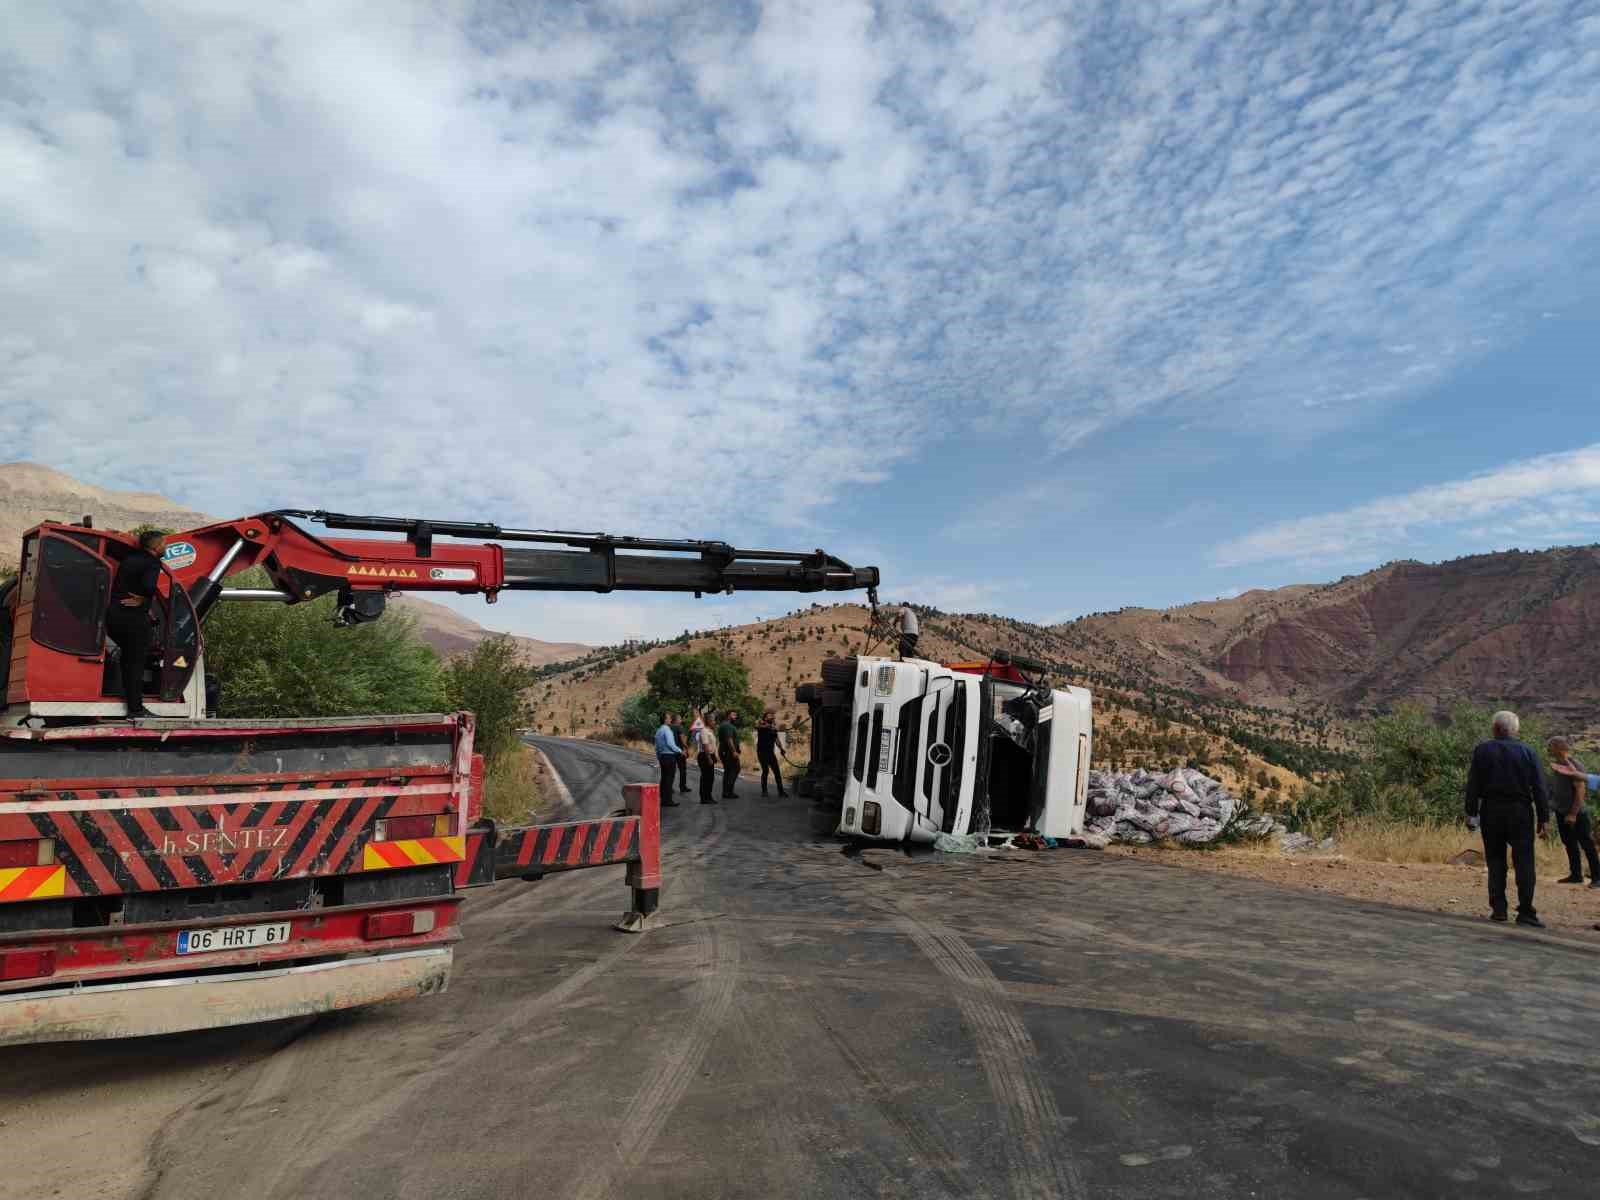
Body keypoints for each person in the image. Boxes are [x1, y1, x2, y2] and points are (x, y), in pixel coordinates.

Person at [1464, 710, 1549, 926]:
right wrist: (1543, 818)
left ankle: (1499, 909)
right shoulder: (1528, 751)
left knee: (1495, 860)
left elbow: (1473, 784)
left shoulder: (1482, 750)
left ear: (1495, 728)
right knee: (1524, 862)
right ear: (1515, 730)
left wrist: (1471, 813)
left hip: (1491, 810)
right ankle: (1526, 912)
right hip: (1520, 811)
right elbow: (1539, 787)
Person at [105, 530, 166, 718]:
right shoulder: (153, 562)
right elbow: (148, 586)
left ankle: (128, 701)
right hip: (132, 617)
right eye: (164, 544)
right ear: (155, 547)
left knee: (127, 661)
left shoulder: (129, 559)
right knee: (136, 664)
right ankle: (136, 709)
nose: (166, 547)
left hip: (114, 616)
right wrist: (145, 599)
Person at [1546, 737, 1600, 888]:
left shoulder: (1575, 765)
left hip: (1576, 813)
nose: (1548, 749)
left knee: (1586, 844)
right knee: (1569, 843)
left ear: (1558, 747)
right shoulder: (1558, 765)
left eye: (1550, 746)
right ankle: (1576, 875)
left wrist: (1573, 814)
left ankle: (1597, 877)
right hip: (1562, 811)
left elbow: (1580, 790)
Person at [755, 709, 787, 798]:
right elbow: (757, 726)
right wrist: (768, 725)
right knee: (765, 771)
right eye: (769, 716)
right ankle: (764, 791)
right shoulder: (761, 725)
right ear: (765, 718)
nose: (771, 717)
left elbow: (777, 740)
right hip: (762, 752)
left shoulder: (773, 728)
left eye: (772, 716)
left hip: (770, 753)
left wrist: (781, 749)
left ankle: (781, 792)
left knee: (777, 772)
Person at [653, 713, 683, 807]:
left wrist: (658, 756)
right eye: (669, 718)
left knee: (664, 777)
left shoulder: (659, 730)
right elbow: (670, 743)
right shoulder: (667, 730)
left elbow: (657, 746)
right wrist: (679, 751)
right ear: (665, 720)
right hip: (669, 756)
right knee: (669, 778)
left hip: (662, 756)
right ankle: (668, 800)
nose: (671, 720)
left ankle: (663, 798)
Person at [694, 712, 719, 805]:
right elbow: (705, 745)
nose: (714, 722)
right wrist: (709, 758)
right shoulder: (704, 731)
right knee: (706, 777)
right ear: (708, 721)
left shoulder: (710, 730)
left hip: (709, 754)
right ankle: (705, 798)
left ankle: (708, 796)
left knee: (710, 777)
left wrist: (714, 756)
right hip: (705, 755)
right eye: (713, 720)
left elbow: (712, 745)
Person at [717, 709, 741, 799]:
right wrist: (734, 751)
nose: (735, 717)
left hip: (725, 751)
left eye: (736, 715)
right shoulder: (727, 726)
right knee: (735, 769)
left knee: (728, 771)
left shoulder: (727, 725)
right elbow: (729, 739)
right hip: (728, 752)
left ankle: (726, 792)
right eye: (733, 715)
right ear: (728, 715)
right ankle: (728, 791)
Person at [669, 714, 690, 794]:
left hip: (671, 751)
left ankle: (669, 788)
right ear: (676, 720)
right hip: (680, 752)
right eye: (680, 718)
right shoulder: (679, 727)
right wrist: (687, 748)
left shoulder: (668, 727)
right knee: (682, 770)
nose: (681, 720)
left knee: (671, 771)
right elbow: (682, 740)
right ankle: (683, 786)